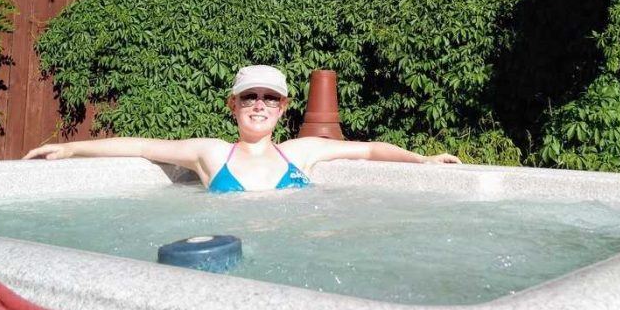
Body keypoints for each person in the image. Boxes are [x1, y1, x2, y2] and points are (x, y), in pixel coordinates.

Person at [23, 65, 460, 191]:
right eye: (249, 96)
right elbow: (142, 145)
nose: (259, 105)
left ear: (283, 107)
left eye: (270, 98)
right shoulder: (213, 153)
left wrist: (423, 160)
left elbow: (368, 150)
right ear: (233, 104)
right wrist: (70, 149)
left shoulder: (300, 152)